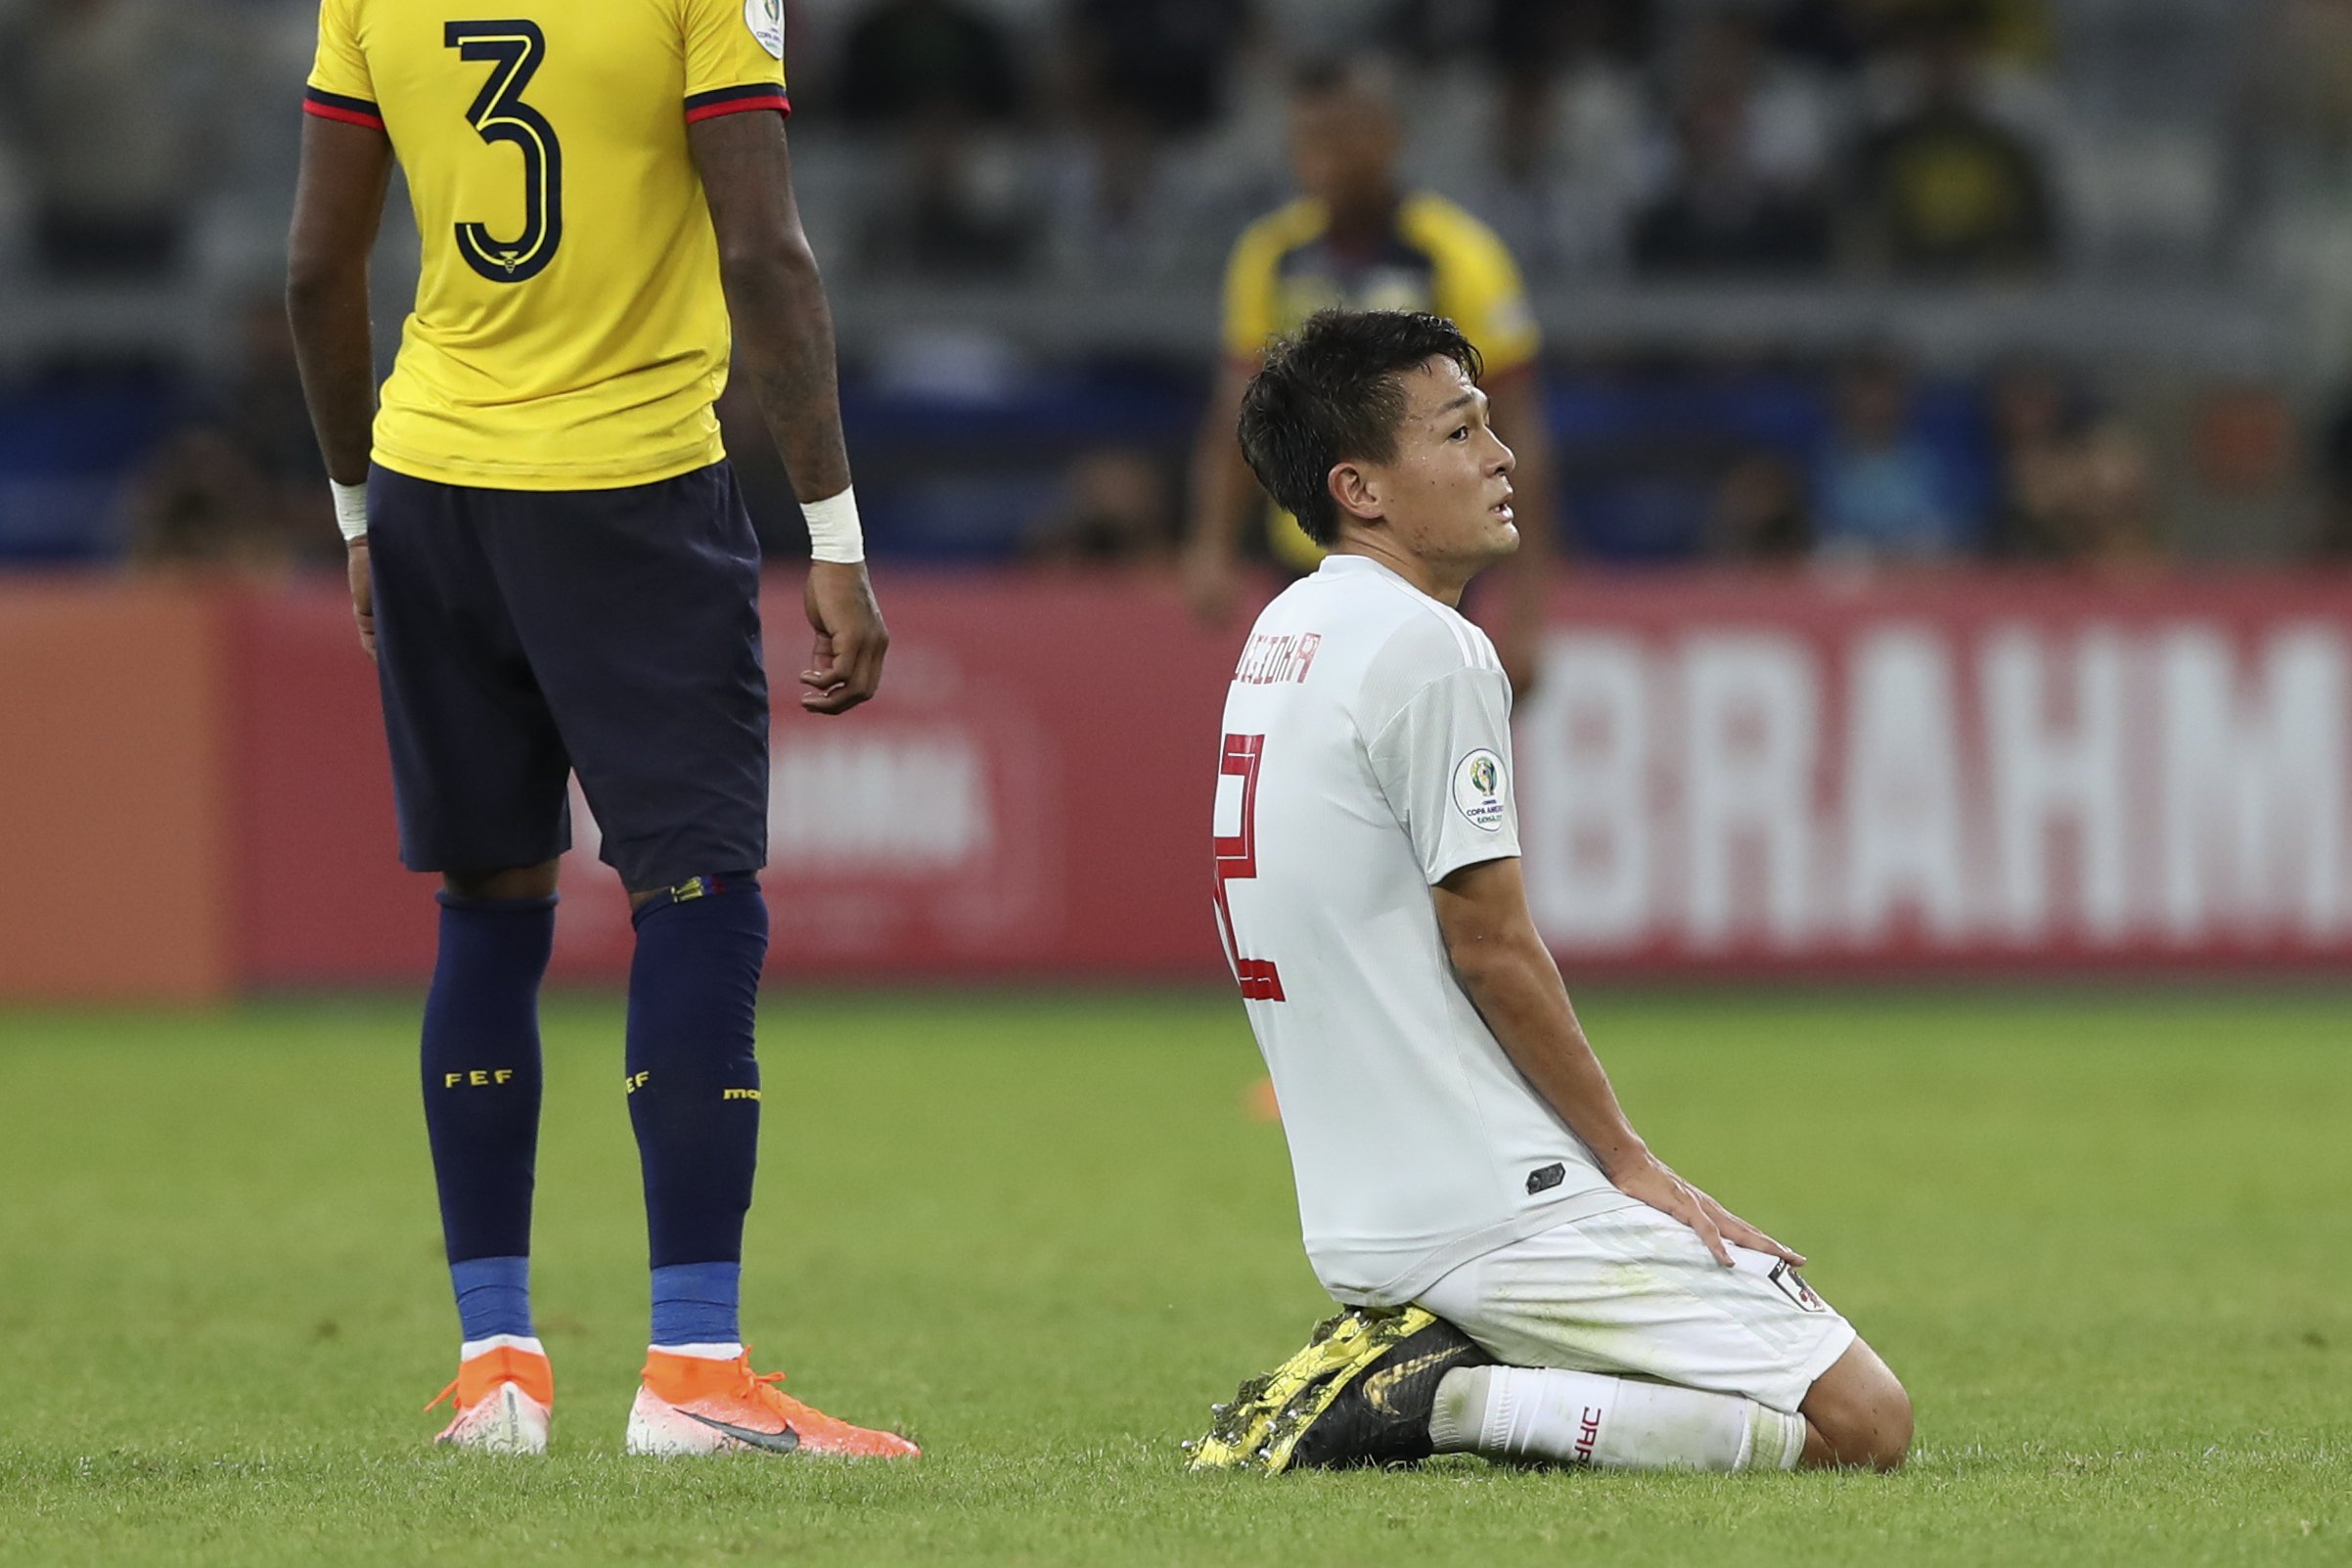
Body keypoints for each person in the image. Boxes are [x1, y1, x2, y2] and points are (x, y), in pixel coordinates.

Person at [285, 0, 909, 1459]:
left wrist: (358, 511)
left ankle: (495, 1367)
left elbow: (318, 264)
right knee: (696, 889)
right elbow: (764, 250)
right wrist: (833, 532)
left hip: (432, 475)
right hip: (624, 485)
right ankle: (695, 1368)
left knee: (488, 903)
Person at [1189, 309, 1911, 1475]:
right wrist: (1630, 1166)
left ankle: (1427, 1362)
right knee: (1861, 1425)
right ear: (1360, 487)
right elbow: (1492, 943)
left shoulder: (1285, 631)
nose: (1502, 453)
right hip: (1491, 1210)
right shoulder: (1430, 647)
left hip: (1360, 1209)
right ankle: (1440, 1400)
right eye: (1461, 430)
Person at [1181, 56, 1558, 697]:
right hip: (1304, 564)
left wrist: (1525, 616)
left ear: (1389, 135)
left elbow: (1519, 432)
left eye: (1340, 135)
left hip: (1429, 568)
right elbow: (1235, 415)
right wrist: (1211, 542)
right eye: (1307, 140)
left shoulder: (1459, 256)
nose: (1321, 158)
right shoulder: (1270, 257)